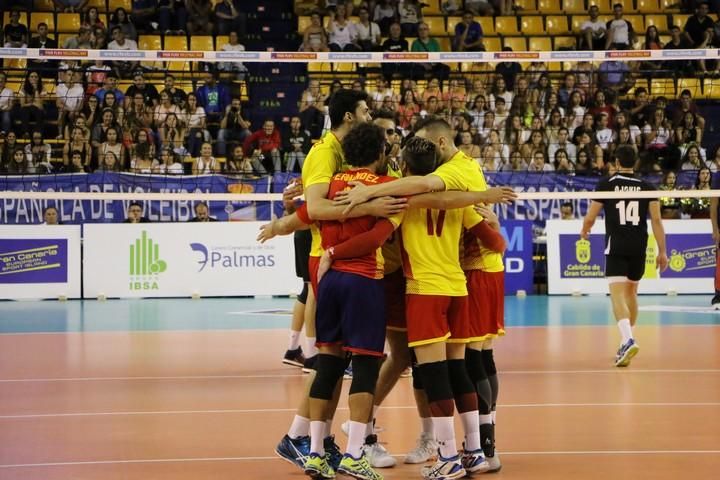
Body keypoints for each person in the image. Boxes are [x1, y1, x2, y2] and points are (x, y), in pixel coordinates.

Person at [303, 123, 402, 480]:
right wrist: (337, 250)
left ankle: (315, 452)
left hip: (328, 282)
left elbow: (306, 213)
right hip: (363, 280)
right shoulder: (389, 187)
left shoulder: (329, 185)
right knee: (365, 365)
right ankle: (354, 454)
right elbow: (378, 236)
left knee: (327, 364)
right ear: (380, 154)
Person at [581, 146, 668, 367]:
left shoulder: (607, 184)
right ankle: (626, 340)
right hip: (639, 245)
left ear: (617, 162)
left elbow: (591, 216)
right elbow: (657, 221)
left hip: (617, 244)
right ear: (635, 163)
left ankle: (628, 339)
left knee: (617, 295)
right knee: (632, 293)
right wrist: (663, 251)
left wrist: (584, 231)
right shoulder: (648, 186)